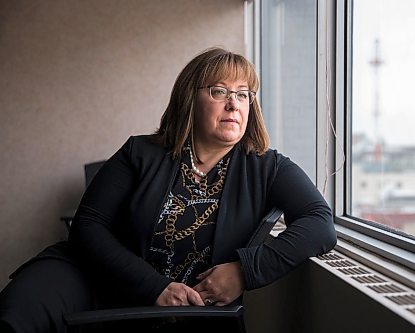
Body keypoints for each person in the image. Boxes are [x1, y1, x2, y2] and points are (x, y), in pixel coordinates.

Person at [0, 47, 336, 332]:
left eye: (243, 94)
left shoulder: (267, 167)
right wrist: (154, 287)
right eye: (219, 91)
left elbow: (319, 223)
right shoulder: (139, 153)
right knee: (17, 313)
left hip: (188, 310)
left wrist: (245, 271)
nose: (234, 104)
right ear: (190, 98)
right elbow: (88, 228)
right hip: (93, 279)